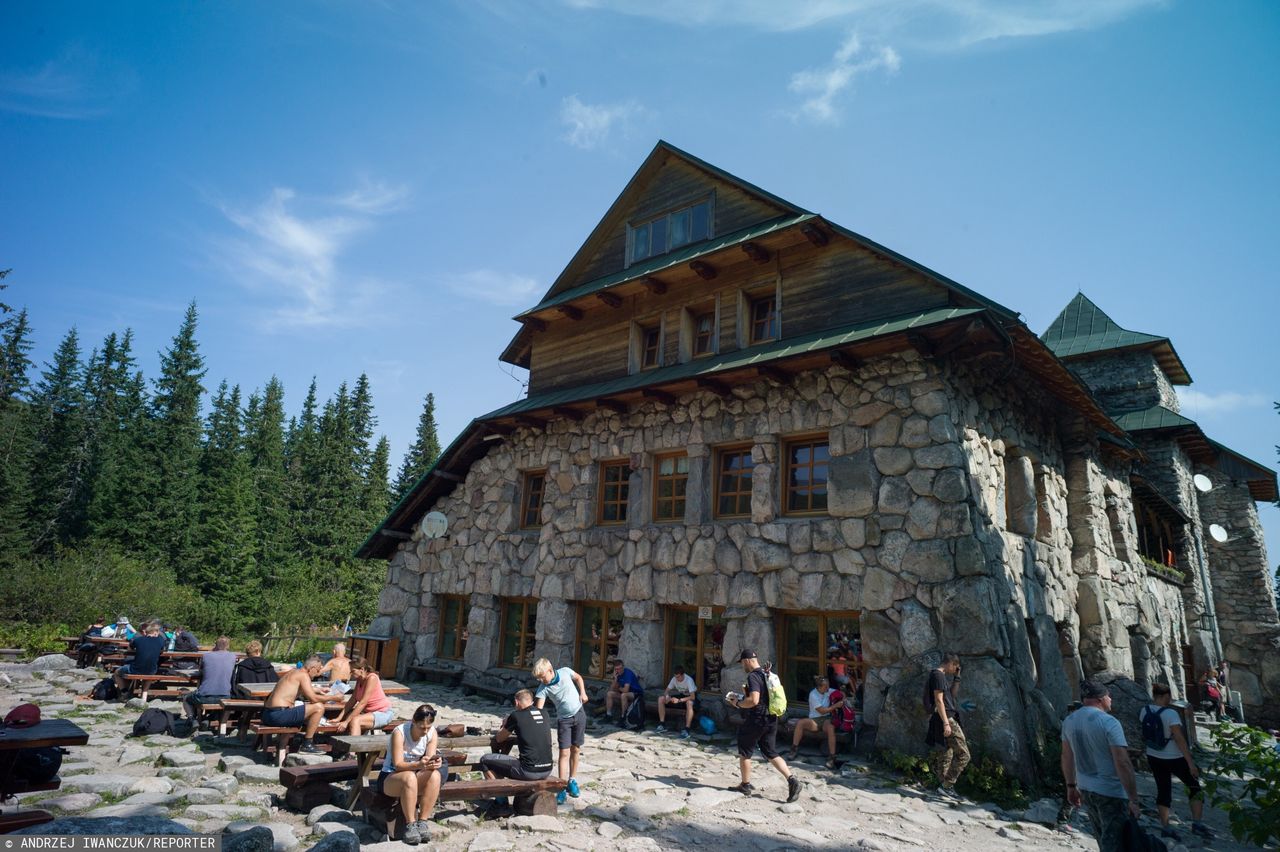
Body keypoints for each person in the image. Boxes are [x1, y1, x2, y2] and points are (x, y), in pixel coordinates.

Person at [1061, 679, 1141, 852]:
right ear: (1100, 699)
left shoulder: (1069, 721)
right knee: (1115, 843)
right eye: (1108, 696)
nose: (1110, 700)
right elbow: (1122, 762)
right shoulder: (1109, 722)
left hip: (1086, 789)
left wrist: (1071, 786)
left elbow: (1067, 756)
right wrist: (1133, 799)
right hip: (1110, 791)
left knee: (1102, 838)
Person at [726, 649, 802, 803]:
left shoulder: (753, 676)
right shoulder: (767, 674)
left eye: (742, 663)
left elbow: (754, 701)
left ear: (747, 660)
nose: (742, 666)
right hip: (771, 718)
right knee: (770, 752)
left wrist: (737, 702)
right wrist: (744, 695)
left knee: (745, 750)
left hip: (757, 719)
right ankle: (792, 780)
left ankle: (745, 785)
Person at [1140, 683, 1212, 841]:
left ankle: (1166, 827)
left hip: (1153, 756)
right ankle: (1197, 824)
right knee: (1195, 787)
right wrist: (1191, 763)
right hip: (1174, 757)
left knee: (1163, 790)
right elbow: (1179, 739)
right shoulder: (1171, 714)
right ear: (1166, 696)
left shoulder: (1144, 711)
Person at [378, 704, 447, 846]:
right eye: (422, 727)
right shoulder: (400, 732)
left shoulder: (431, 733)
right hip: (391, 777)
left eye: (428, 728)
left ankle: (423, 821)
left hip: (414, 777)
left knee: (435, 775)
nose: (425, 731)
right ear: (413, 722)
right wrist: (419, 765)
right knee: (409, 776)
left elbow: (429, 759)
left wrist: (434, 762)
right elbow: (397, 765)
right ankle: (410, 825)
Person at [480, 688, 554, 813]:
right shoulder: (545, 713)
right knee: (501, 762)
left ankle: (501, 802)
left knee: (485, 760)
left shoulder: (516, 715)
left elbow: (499, 739)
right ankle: (501, 792)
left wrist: (506, 724)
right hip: (547, 769)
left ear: (516, 702)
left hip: (528, 770)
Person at [532, 658, 589, 805]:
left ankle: (572, 781)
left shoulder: (565, 672)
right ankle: (561, 787)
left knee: (576, 749)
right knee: (564, 752)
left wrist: (582, 692)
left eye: (542, 677)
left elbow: (578, 677)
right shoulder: (543, 688)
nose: (541, 680)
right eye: (539, 678)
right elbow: (538, 709)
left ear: (550, 671)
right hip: (564, 721)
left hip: (579, 713)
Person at [923, 652, 970, 798]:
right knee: (964, 755)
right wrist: (946, 723)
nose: (955, 669)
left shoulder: (941, 677)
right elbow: (938, 700)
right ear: (950, 663)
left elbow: (951, 696)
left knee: (947, 754)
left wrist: (957, 677)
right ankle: (947, 785)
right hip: (946, 719)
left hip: (946, 718)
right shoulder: (937, 676)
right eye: (955, 667)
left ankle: (943, 788)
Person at [261, 654, 327, 753]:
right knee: (319, 707)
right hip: (278, 715)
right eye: (317, 670)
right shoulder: (304, 675)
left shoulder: (294, 672)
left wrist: (319, 689)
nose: (318, 674)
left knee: (309, 713)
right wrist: (334, 697)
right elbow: (313, 699)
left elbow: (300, 688)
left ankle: (298, 739)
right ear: (312, 668)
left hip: (268, 714)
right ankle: (307, 744)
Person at [332, 656, 396, 735]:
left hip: (383, 713)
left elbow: (363, 703)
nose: (350, 673)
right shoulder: (360, 679)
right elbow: (352, 700)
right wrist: (339, 718)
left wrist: (346, 722)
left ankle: (354, 745)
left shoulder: (372, 678)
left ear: (361, 669)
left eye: (353, 671)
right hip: (369, 713)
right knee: (348, 717)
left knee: (355, 720)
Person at [181, 635, 237, 725]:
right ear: (228, 646)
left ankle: (192, 719)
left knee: (186, 698)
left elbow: (201, 671)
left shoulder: (206, 656)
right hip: (225, 696)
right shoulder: (233, 657)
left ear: (215, 645)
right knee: (215, 697)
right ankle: (207, 719)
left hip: (205, 696)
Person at [788, 676, 840, 768]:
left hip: (826, 719)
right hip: (815, 719)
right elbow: (822, 711)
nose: (828, 688)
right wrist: (835, 706)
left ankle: (832, 756)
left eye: (828, 686)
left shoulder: (828, 690)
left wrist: (842, 698)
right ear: (819, 687)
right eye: (825, 687)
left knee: (831, 728)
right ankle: (794, 748)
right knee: (801, 723)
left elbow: (841, 693)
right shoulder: (813, 695)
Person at [113, 620, 167, 694]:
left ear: (146, 632)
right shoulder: (160, 641)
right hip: (152, 671)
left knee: (116, 672)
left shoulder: (138, 639)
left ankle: (124, 692)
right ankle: (144, 697)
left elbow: (129, 649)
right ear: (155, 632)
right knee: (149, 673)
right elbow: (162, 649)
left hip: (135, 669)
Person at [655, 665, 697, 738]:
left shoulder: (689, 680)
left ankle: (687, 730)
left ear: (683, 675)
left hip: (690, 697)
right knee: (661, 699)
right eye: (675, 677)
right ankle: (662, 724)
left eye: (678, 677)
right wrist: (667, 697)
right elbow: (666, 691)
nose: (677, 679)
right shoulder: (674, 679)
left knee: (689, 703)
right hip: (681, 696)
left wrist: (679, 700)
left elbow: (693, 697)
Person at [605, 659, 644, 729]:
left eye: (620, 668)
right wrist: (615, 679)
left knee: (624, 695)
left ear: (623, 667)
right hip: (626, 693)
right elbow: (611, 689)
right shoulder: (617, 675)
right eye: (616, 669)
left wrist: (618, 688)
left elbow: (626, 690)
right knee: (609, 694)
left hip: (636, 694)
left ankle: (623, 718)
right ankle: (608, 715)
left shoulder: (627, 673)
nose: (618, 670)